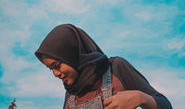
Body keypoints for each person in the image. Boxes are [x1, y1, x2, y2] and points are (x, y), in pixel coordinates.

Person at [35, 24, 173, 109]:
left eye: (57, 66)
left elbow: (165, 105)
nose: (55, 74)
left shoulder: (116, 67)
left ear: (72, 54)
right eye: (50, 69)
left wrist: (140, 98)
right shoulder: (71, 93)